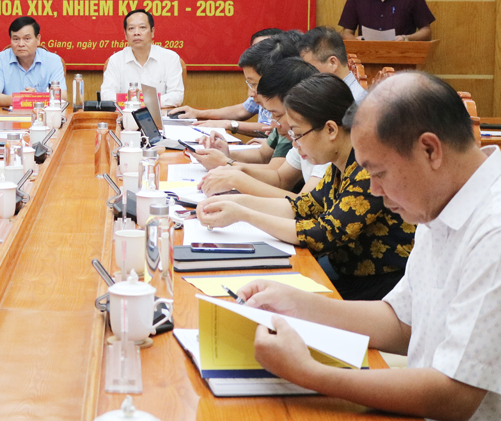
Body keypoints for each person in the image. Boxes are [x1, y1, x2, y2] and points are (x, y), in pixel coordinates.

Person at [238, 72, 498, 421]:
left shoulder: (492, 231)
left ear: (429, 150)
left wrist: (308, 373)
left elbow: (454, 395)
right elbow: (403, 323)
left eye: (379, 173)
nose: (374, 190)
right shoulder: (439, 202)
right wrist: (299, 304)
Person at [197, 73, 415, 300]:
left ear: (331, 130)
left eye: (299, 134)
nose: (294, 143)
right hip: (342, 270)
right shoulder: (340, 161)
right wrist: (235, 202)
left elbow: (324, 233)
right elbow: (303, 206)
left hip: (377, 287)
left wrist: (244, 214)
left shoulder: (367, 167)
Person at [200, 58, 326, 198]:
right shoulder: (300, 136)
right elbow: (280, 178)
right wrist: (232, 167)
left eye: (275, 115)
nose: (271, 124)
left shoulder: (319, 140)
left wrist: (233, 173)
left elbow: (304, 204)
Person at [191, 34, 300, 169]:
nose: (250, 93)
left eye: (254, 84)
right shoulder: (279, 116)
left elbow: (277, 177)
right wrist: (225, 154)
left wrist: (227, 163)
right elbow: (262, 155)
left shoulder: (290, 118)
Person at [169, 28, 282, 135]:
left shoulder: (287, 88)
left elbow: (273, 129)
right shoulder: (256, 84)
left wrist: (229, 124)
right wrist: (198, 113)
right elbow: (242, 110)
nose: (251, 93)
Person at [100, 9, 183, 107]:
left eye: (142, 27)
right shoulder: (115, 60)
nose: (137, 33)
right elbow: (106, 95)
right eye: (131, 28)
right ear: (126, 35)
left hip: (160, 118)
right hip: (125, 116)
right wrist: (138, 101)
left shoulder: (170, 58)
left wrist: (141, 101)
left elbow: (177, 96)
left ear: (152, 32)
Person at [0, 16, 66, 107]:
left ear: (38, 39)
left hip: (42, 117)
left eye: (27, 39)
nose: (21, 44)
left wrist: (35, 98)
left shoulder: (53, 61)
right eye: (16, 39)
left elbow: (62, 97)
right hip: (8, 116)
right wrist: (20, 98)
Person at [296, 26, 367, 101]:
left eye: (310, 67)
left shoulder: (353, 102)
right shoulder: (332, 92)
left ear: (332, 63)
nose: (306, 74)